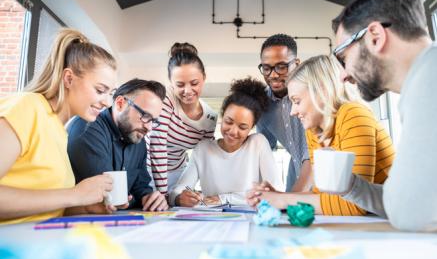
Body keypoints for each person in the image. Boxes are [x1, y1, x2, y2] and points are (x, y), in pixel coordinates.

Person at [331, 0, 437, 231]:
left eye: (342, 57)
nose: (343, 76)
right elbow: (407, 199)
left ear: (375, 37)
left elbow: (414, 214)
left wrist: (419, 203)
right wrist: (349, 186)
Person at [247, 55, 395, 215]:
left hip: (398, 218)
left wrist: (283, 200)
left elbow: (356, 204)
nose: (293, 112)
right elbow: (321, 196)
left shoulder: (354, 114)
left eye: (296, 101)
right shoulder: (314, 131)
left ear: (322, 91)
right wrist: (278, 196)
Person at [0, 28, 117, 224]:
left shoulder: (60, 132)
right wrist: (74, 195)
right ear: (69, 78)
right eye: (100, 90)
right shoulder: (27, 107)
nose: (107, 102)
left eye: (110, 93)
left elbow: (42, 207)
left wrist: (83, 206)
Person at [170, 78, 281, 207]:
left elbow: (274, 193)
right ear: (222, 117)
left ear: (251, 127)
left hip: (250, 220)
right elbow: (178, 190)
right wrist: (179, 198)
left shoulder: (258, 143)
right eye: (229, 122)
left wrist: (224, 198)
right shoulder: (203, 149)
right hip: (212, 221)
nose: (233, 131)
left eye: (242, 127)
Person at [67, 79, 169, 212]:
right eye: (145, 116)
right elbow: (110, 199)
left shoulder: (138, 139)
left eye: (153, 121)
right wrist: (136, 200)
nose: (149, 127)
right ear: (120, 103)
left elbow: (141, 188)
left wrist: (151, 199)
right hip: (80, 225)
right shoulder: (88, 127)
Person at [147, 43, 217, 199]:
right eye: (180, 84)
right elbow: (157, 144)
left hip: (177, 174)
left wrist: (211, 193)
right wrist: (162, 195)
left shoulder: (210, 118)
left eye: (194, 83)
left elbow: (205, 159)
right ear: (171, 82)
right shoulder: (166, 97)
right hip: (147, 170)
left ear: (204, 78)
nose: (187, 91)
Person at [256, 34, 311, 191]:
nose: (273, 75)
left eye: (281, 66)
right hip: (295, 178)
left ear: (297, 64)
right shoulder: (262, 104)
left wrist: (291, 198)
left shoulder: (313, 94)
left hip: (325, 177)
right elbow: (264, 148)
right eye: (266, 68)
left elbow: (314, 153)